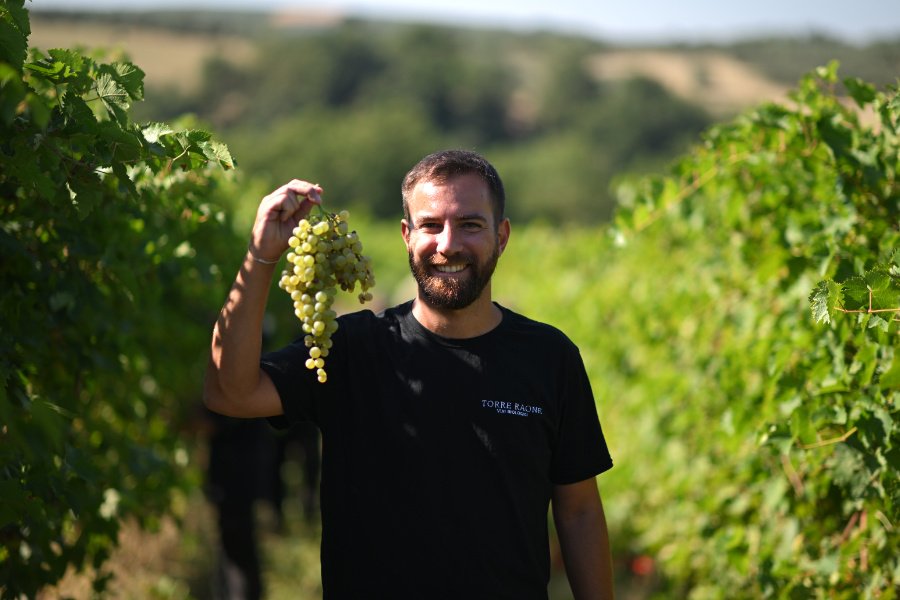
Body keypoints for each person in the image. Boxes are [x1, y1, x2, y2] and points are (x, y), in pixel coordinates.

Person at [204, 149, 615, 599]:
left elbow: (578, 513)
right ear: (406, 234)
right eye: (431, 225)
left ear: (502, 235)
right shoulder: (350, 349)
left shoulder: (549, 357)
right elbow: (231, 394)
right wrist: (260, 257)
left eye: (470, 225)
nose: (448, 244)